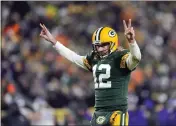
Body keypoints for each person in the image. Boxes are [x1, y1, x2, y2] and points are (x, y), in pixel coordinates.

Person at [40, 19, 141, 126]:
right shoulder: (94, 58)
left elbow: (136, 58)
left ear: (113, 43)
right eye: (98, 46)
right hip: (99, 111)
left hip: (117, 111)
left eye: (104, 45)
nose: (100, 49)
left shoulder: (121, 57)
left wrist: (132, 42)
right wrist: (55, 42)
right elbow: (74, 57)